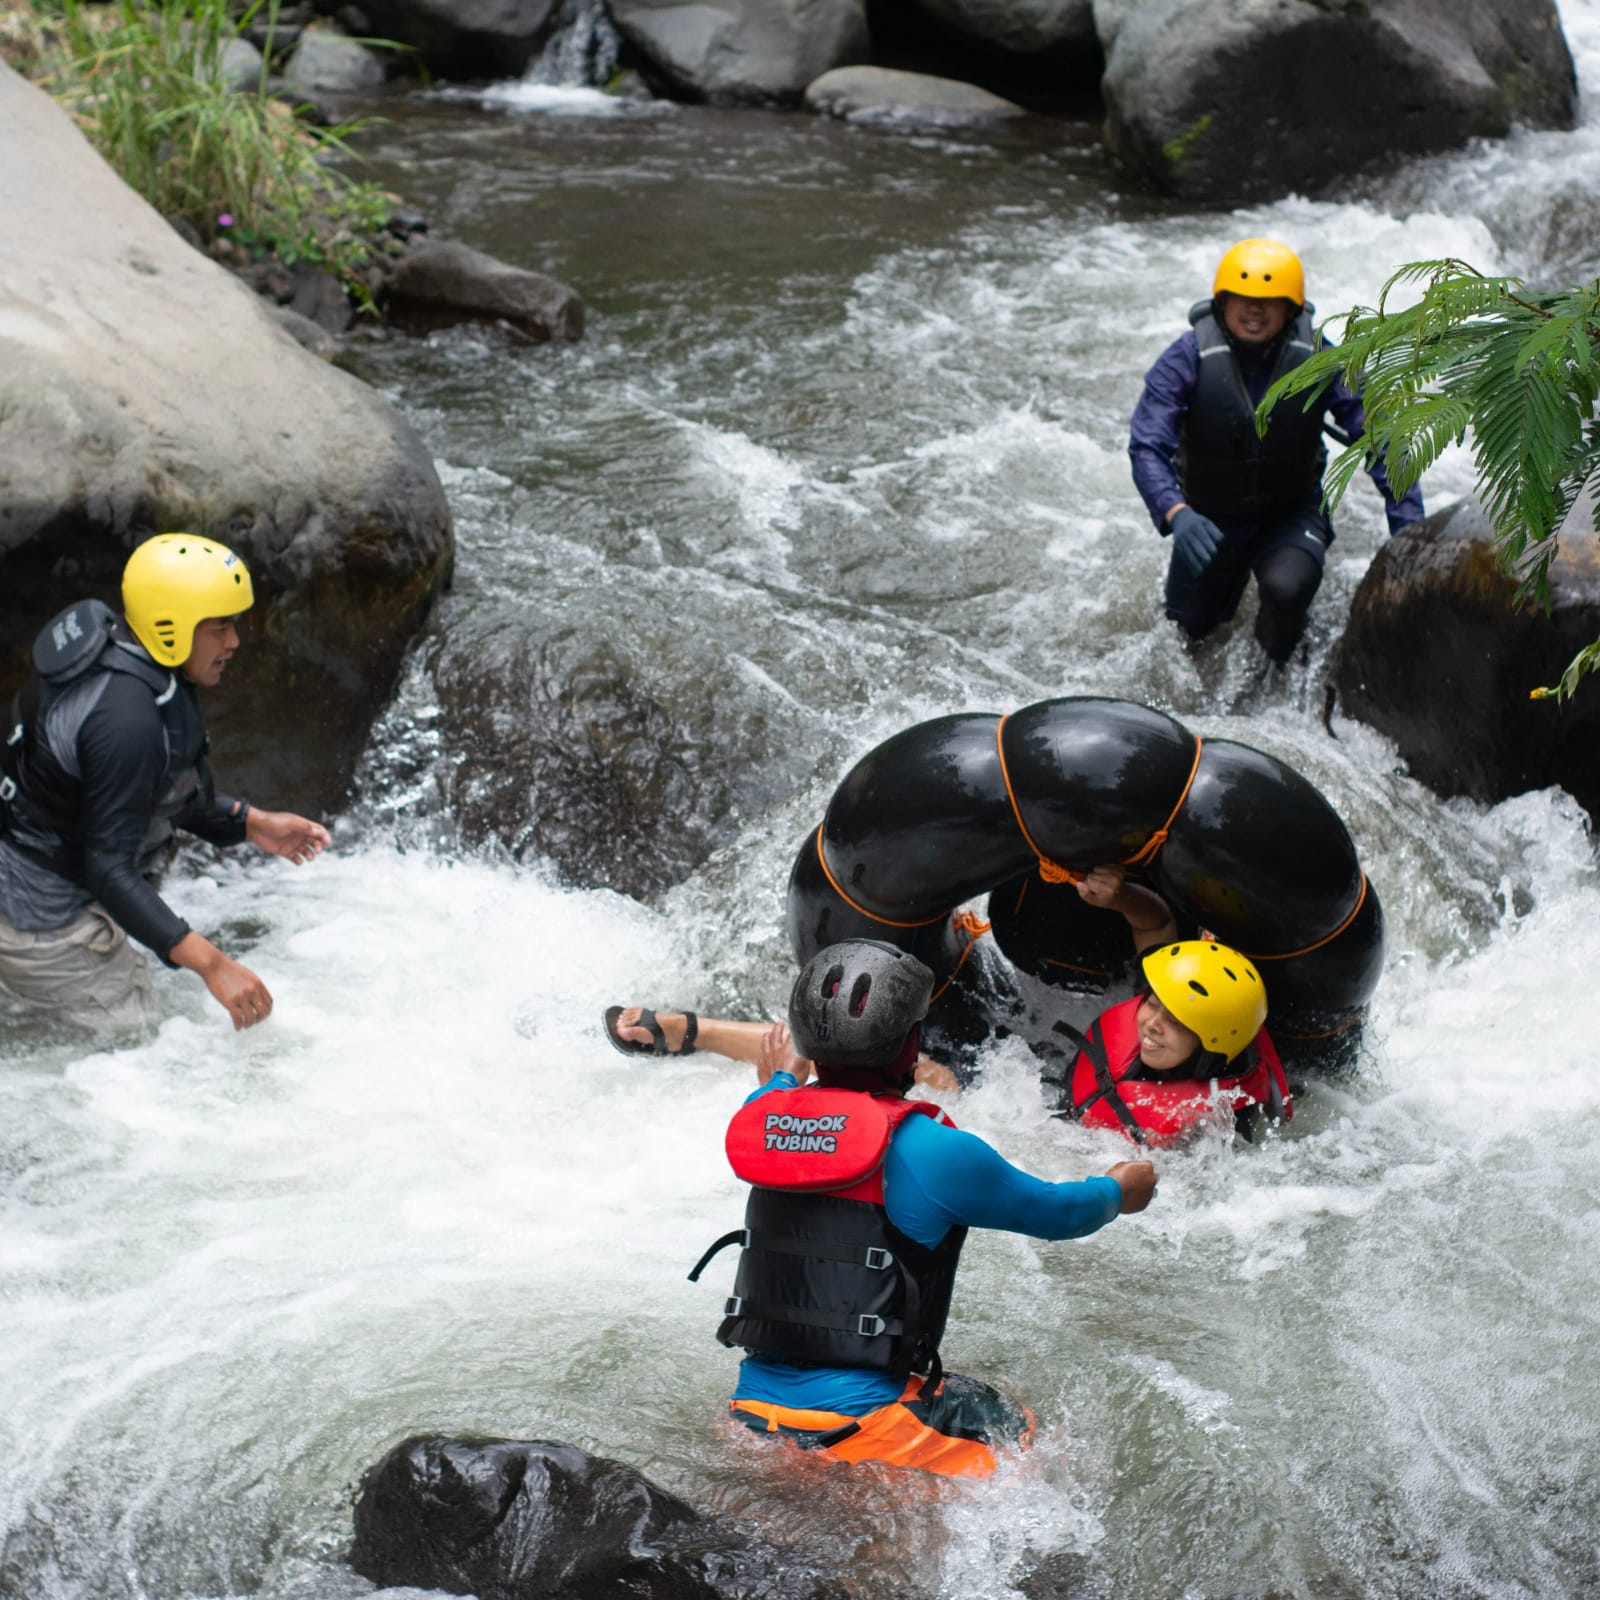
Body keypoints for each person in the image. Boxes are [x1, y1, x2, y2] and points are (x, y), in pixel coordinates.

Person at [682, 939, 1155, 1478]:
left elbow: (774, 1094)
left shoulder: (761, 1120)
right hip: (863, 1429)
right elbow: (1060, 1213)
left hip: (751, 1418)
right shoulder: (934, 1151)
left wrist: (785, 1078)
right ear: (911, 1045)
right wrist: (1119, 1190)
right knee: (1032, 1440)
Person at [0, 534, 331, 1032]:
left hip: (26, 872)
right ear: (171, 626)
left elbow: (145, 792)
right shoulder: (125, 720)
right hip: (39, 920)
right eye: (220, 628)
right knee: (136, 1042)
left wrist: (250, 823)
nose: (234, 642)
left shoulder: (123, 659)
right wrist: (214, 966)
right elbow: (108, 868)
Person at [1128, 237, 1425, 667]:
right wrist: (1176, 513)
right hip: (1208, 519)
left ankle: (1271, 680)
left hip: (1290, 513)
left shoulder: (1322, 357)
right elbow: (1147, 447)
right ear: (1222, 302)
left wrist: (1408, 533)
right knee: (1186, 636)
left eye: (1270, 301)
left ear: (1292, 309)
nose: (1254, 310)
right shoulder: (1184, 360)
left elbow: (1381, 440)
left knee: (1288, 591)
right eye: (1243, 299)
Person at [1046, 865, 1290, 1144]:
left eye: (1174, 1021)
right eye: (1151, 1004)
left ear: (1212, 1046)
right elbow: (1155, 922)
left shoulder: (1217, 1125)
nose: (1152, 1024)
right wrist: (1120, 896)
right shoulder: (1172, 991)